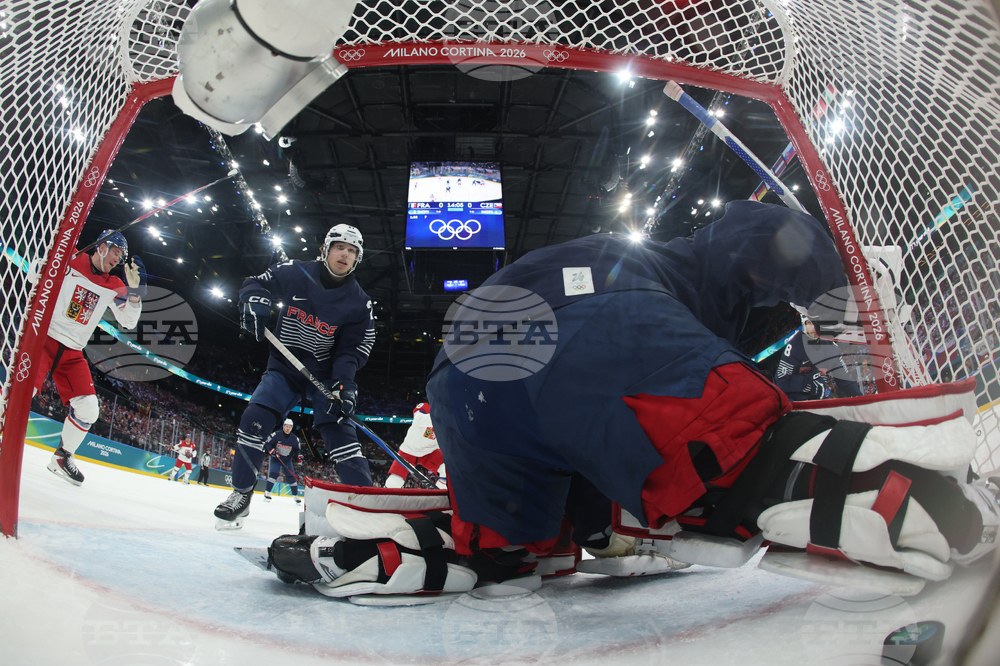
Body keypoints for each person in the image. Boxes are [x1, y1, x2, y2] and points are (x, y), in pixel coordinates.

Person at [256, 201, 999, 601]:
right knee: (736, 452)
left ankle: (380, 550)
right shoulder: (680, 267)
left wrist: (594, 529)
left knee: (514, 554)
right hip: (585, 317)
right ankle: (932, 504)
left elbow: (573, 426)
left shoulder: (639, 273)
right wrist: (843, 291)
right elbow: (761, 233)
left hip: (459, 385)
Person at [214, 224, 376, 527]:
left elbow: (351, 350)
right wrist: (254, 298)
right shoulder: (294, 271)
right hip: (284, 368)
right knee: (254, 419)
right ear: (325, 249)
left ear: (357, 259)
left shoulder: (359, 302)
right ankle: (241, 494)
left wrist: (344, 384)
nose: (345, 254)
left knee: (341, 433)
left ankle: (367, 506)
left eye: (352, 251)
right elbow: (254, 282)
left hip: (325, 376)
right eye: (340, 247)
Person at [29, 230, 145, 486]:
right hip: (44, 340)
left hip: (72, 352)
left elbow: (128, 321)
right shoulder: (70, 258)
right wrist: (50, 263)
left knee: (89, 409)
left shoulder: (114, 284)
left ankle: (62, 457)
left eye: (121, 256)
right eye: (116, 252)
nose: (118, 259)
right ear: (102, 247)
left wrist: (135, 291)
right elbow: (33, 274)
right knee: (23, 391)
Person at [773, 316, 863, 400]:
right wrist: (808, 381)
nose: (814, 327)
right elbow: (781, 383)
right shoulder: (795, 345)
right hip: (794, 399)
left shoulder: (832, 348)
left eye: (817, 322)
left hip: (818, 397)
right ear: (804, 324)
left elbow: (845, 381)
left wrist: (862, 401)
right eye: (810, 322)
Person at [385, 402, 447, 489]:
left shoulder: (452, 418)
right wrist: (444, 418)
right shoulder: (425, 406)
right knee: (394, 481)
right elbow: (419, 420)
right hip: (409, 451)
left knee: (448, 469)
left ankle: (439, 495)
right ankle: (385, 496)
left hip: (430, 452)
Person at [264, 418, 304, 503]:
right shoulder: (276, 434)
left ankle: (295, 496)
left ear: (292, 428)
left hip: (287, 460)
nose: (288, 428)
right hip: (276, 459)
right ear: (283, 426)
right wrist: (272, 451)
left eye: (290, 427)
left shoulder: (294, 439)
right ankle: (267, 493)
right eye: (286, 426)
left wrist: (299, 456)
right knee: (273, 474)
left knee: (291, 476)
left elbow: (297, 450)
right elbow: (268, 443)